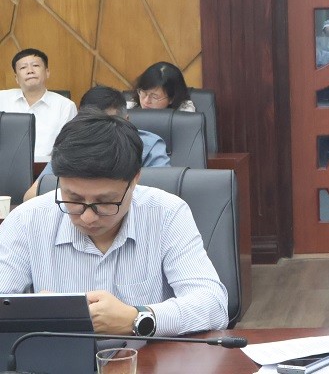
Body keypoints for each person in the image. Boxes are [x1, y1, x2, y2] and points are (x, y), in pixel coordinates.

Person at [0, 111, 228, 336]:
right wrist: (31, 311)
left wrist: (137, 318)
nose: (88, 217)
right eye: (74, 199)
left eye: (105, 202)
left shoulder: (166, 213)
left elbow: (213, 305)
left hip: (148, 356)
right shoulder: (26, 220)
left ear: (135, 179)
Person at [22, 85, 171, 201]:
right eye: (91, 124)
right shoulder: (70, 144)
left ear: (126, 121)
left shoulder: (150, 145)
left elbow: (166, 194)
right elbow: (31, 196)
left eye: (107, 124)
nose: (98, 132)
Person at [0, 48, 77, 159]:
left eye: (35, 65)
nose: (30, 71)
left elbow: (70, 149)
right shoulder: (2, 99)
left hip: (49, 167)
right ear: (16, 78)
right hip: (5, 166)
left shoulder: (65, 106)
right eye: (23, 67)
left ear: (47, 72)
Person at [129, 61, 195, 112]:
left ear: (171, 98)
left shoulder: (185, 113)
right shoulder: (130, 108)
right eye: (143, 93)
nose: (146, 101)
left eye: (154, 97)